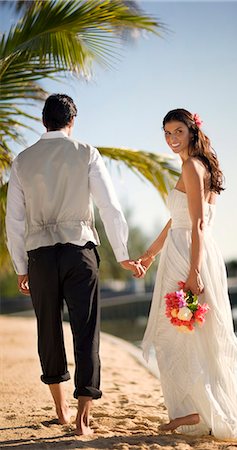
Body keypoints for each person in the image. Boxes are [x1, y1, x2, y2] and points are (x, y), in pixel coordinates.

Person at [5, 94, 144, 436]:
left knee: (48, 331)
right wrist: (123, 252)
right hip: (79, 252)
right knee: (86, 330)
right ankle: (84, 413)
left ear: (43, 122)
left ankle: (60, 408)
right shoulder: (86, 153)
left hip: (40, 256)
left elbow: (15, 221)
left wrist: (21, 267)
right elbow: (109, 206)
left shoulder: (22, 161)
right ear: (72, 122)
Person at [138, 108, 237, 440]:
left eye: (177, 132)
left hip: (190, 255)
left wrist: (193, 272)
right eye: (167, 133)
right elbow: (177, 220)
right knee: (187, 337)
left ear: (191, 131)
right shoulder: (200, 167)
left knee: (178, 337)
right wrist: (148, 255)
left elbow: (198, 224)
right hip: (188, 250)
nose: (172, 139)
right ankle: (198, 410)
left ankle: (198, 411)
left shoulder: (192, 166)